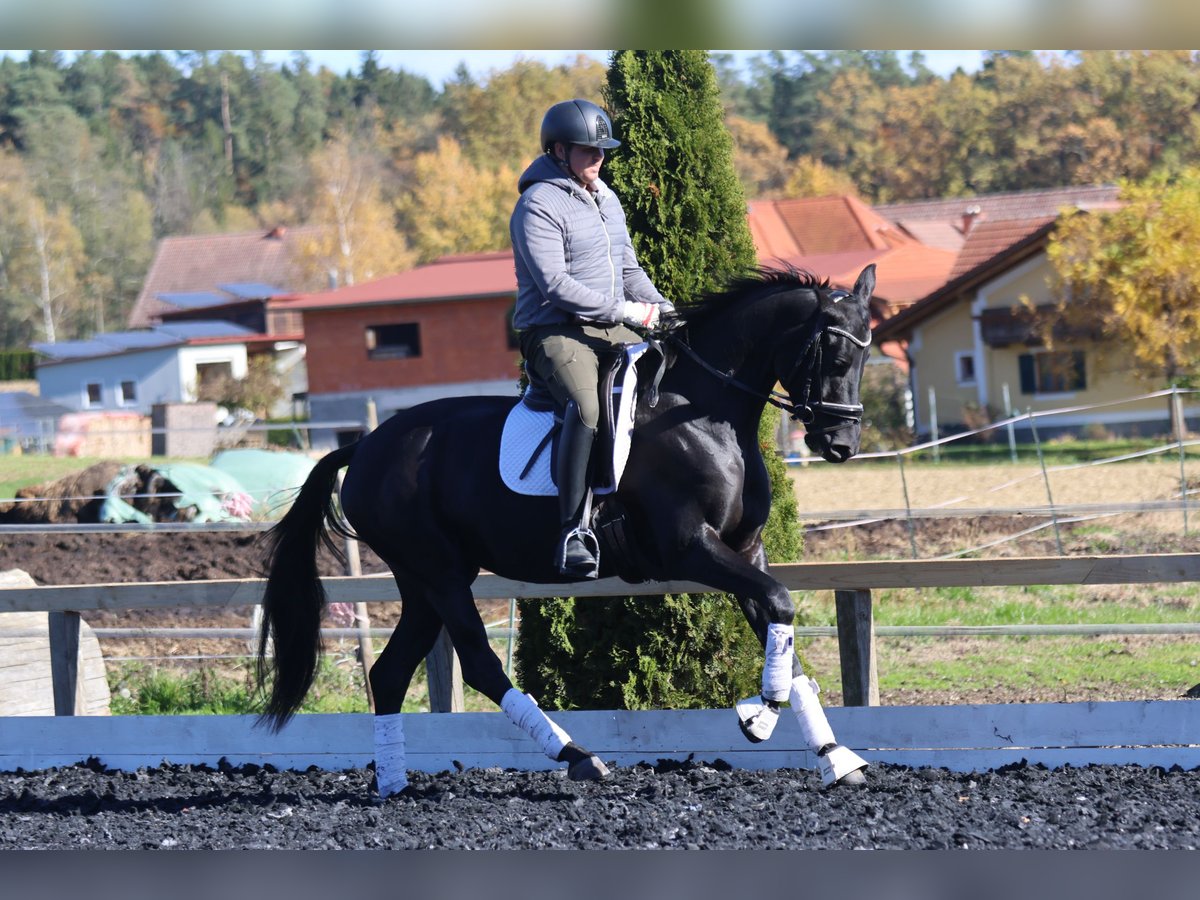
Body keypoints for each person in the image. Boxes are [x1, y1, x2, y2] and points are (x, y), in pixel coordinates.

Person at [510, 98, 675, 580]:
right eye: (588, 150)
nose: (598, 157)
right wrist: (628, 310)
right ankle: (572, 531)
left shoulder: (606, 197)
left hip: (611, 325)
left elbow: (628, 268)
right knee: (586, 408)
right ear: (558, 150)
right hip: (555, 331)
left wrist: (663, 308)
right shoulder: (537, 203)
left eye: (603, 149)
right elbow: (556, 285)